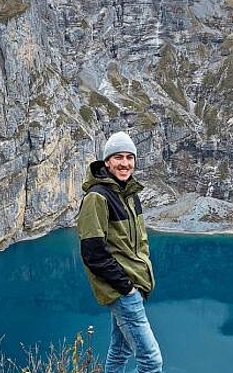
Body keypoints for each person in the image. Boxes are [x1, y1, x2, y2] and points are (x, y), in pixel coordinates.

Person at [76, 131, 163, 373]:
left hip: (133, 286)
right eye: (118, 157)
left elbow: (140, 242)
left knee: (120, 350)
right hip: (123, 291)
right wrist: (126, 286)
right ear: (107, 162)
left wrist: (140, 277)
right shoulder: (97, 197)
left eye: (129, 157)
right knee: (151, 363)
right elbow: (93, 253)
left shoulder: (130, 195)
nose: (125, 163)